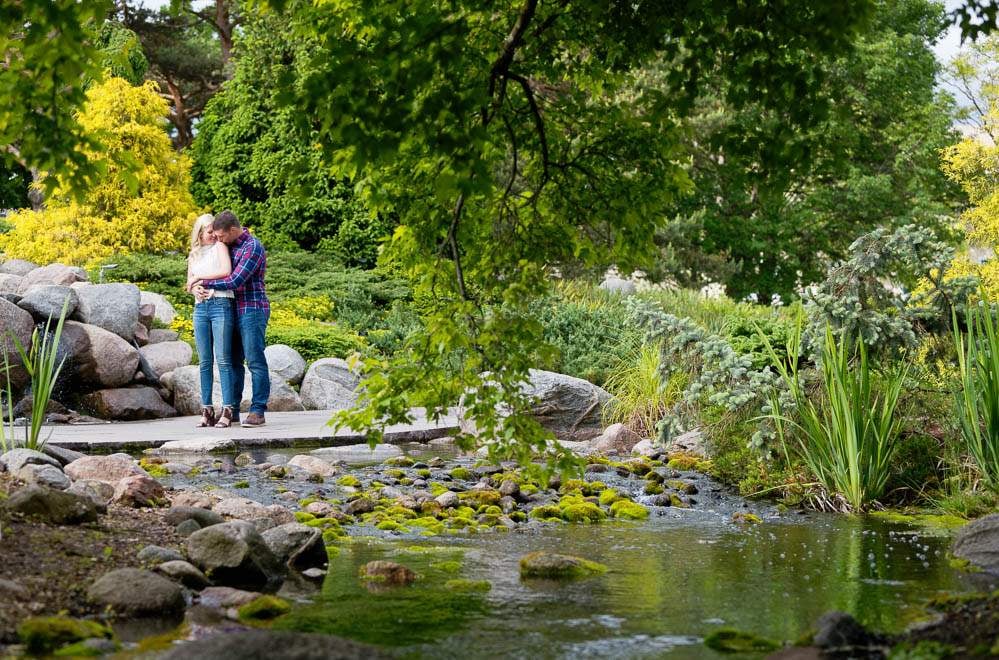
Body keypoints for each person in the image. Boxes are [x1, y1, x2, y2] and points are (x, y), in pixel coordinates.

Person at [193, 210, 270, 427]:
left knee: (255, 360)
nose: (218, 239)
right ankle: (233, 409)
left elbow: (235, 280)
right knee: (233, 360)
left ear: (233, 230)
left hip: (252, 309)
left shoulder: (252, 247)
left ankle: (257, 411)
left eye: (221, 236)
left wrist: (203, 283)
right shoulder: (229, 245)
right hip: (230, 309)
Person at [186, 213, 238, 428]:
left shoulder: (220, 248)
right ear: (200, 233)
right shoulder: (194, 254)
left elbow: (227, 271)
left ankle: (227, 409)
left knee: (224, 359)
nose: (214, 236)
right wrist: (195, 288)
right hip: (200, 308)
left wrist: (202, 280)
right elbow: (188, 284)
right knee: (204, 362)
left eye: (215, 232)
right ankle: (207, 409)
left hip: (220, 305)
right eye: (209, 232)